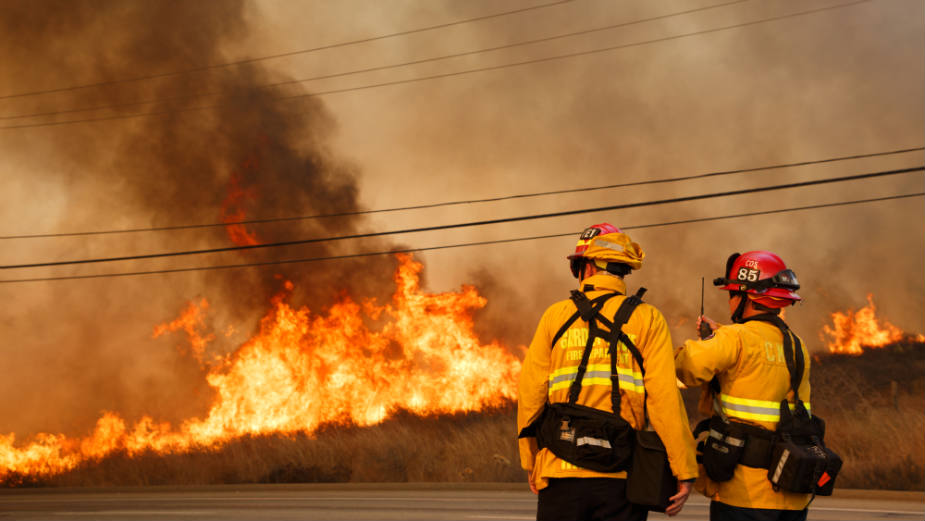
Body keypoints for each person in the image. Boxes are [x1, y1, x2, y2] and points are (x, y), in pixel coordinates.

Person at [517, 223, 697, 521]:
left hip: (558, 471)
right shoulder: (647, 318)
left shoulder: (555, 316)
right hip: (621, 477)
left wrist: (532, 459)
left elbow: (531, 394)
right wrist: (684, 468)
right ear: (622, 269)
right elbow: (664, 398)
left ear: (587, 267)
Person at [675, 250, 812, 521]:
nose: (730, 301)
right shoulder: (798, 345)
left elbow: (685, 369)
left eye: (731, 294)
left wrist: (711, 341)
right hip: (792, 492)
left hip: (745, 493)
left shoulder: (735, 338)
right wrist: (720, 336)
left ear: (746, 296)